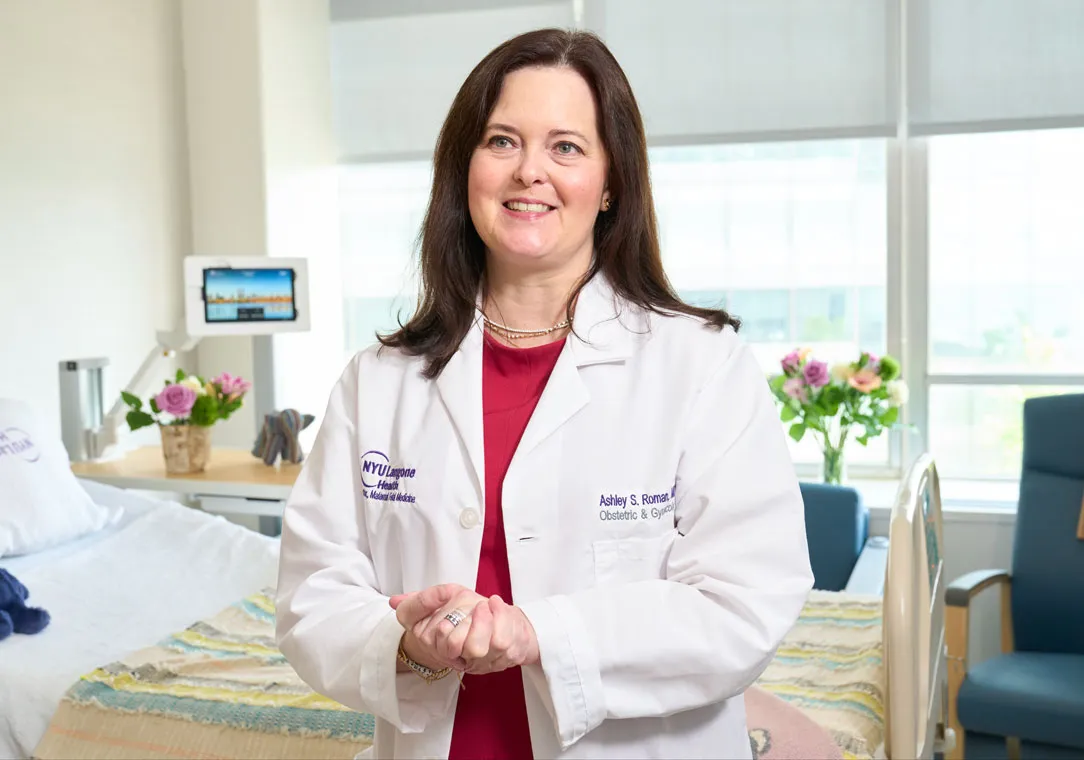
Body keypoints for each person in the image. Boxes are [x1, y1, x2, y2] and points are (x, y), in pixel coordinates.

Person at [275, 27, 813, 760]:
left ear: (611, 183)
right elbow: (313, 595)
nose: (531, 171)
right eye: (501, 141)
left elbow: (746, 603)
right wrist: (405, 645)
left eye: (566, 147)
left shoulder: (699, 367)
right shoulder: (380, 380)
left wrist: (540, 634)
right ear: (464, 170)